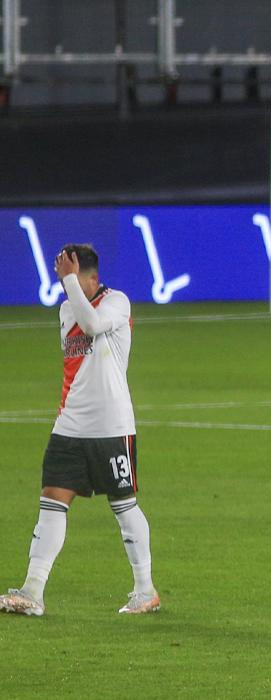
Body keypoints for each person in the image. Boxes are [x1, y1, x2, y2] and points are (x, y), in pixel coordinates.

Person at [0, 244, 160, 617]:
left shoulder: (117, 302)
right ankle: (33, 591)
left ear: (92, 278)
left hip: (111, 426)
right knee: (52, 501)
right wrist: (71, 287)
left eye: (74, 279)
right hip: (70, 424)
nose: (68, 286)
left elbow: (91, 325)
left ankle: (145, 589)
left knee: (123, 505)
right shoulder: (67, 307)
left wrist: (69, 280)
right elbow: (78, 349)